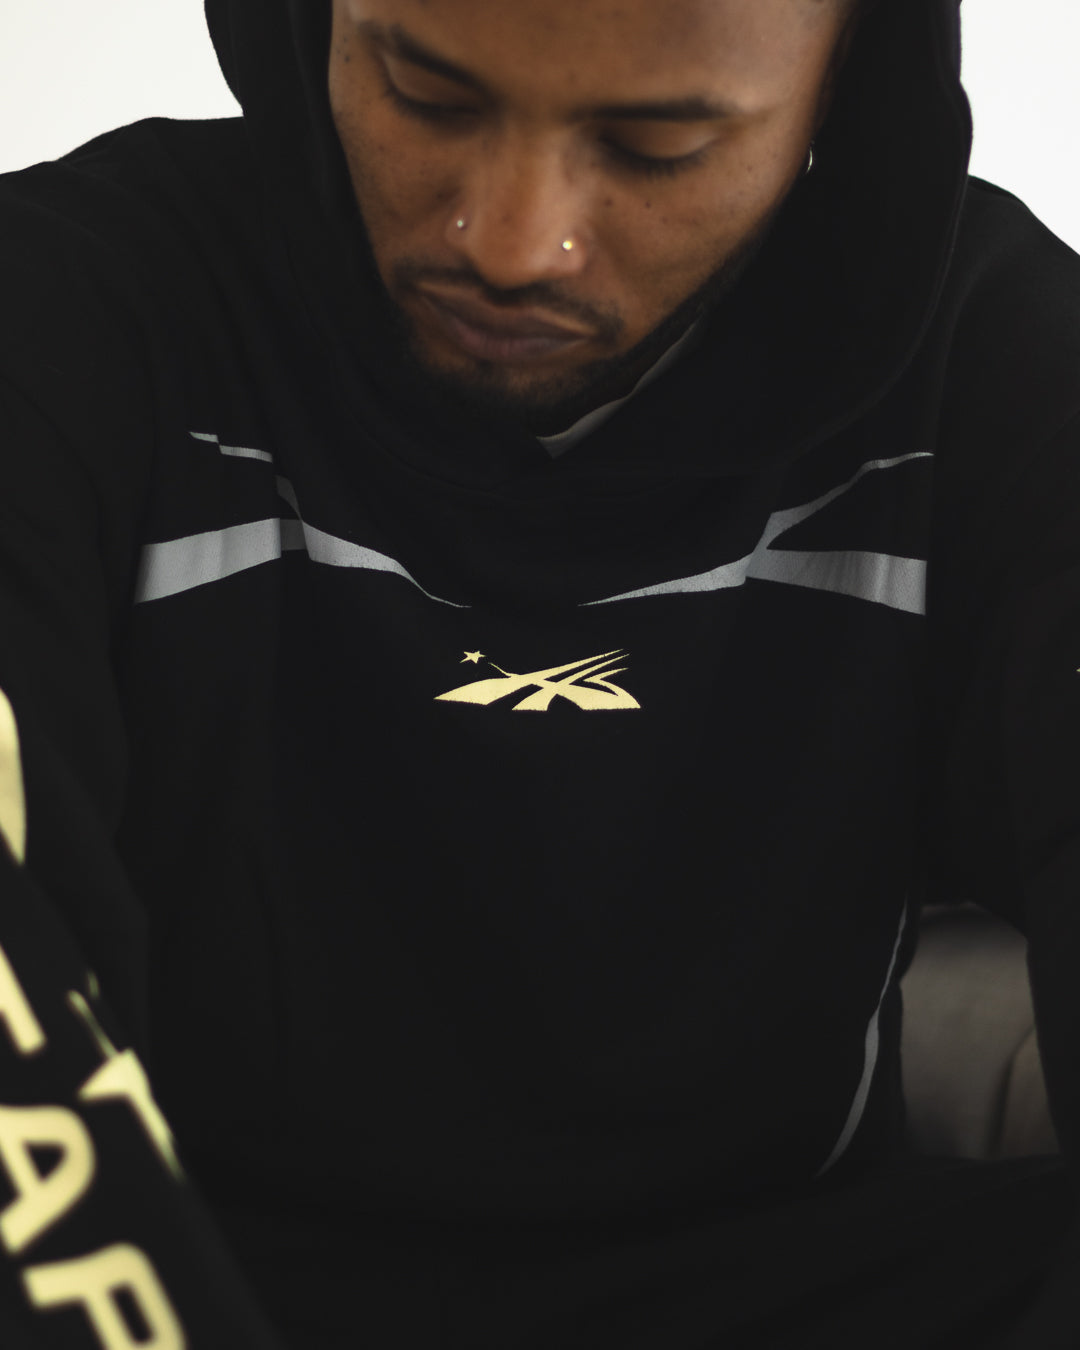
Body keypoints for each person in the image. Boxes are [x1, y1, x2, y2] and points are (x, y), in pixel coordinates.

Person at [0, 0, 1078, 1344]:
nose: (513, 244)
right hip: (186, 1258)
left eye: (655, 145)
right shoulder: (69, 308)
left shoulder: (995, 363)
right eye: (425, 95)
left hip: (793, 1281)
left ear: (845, 81)